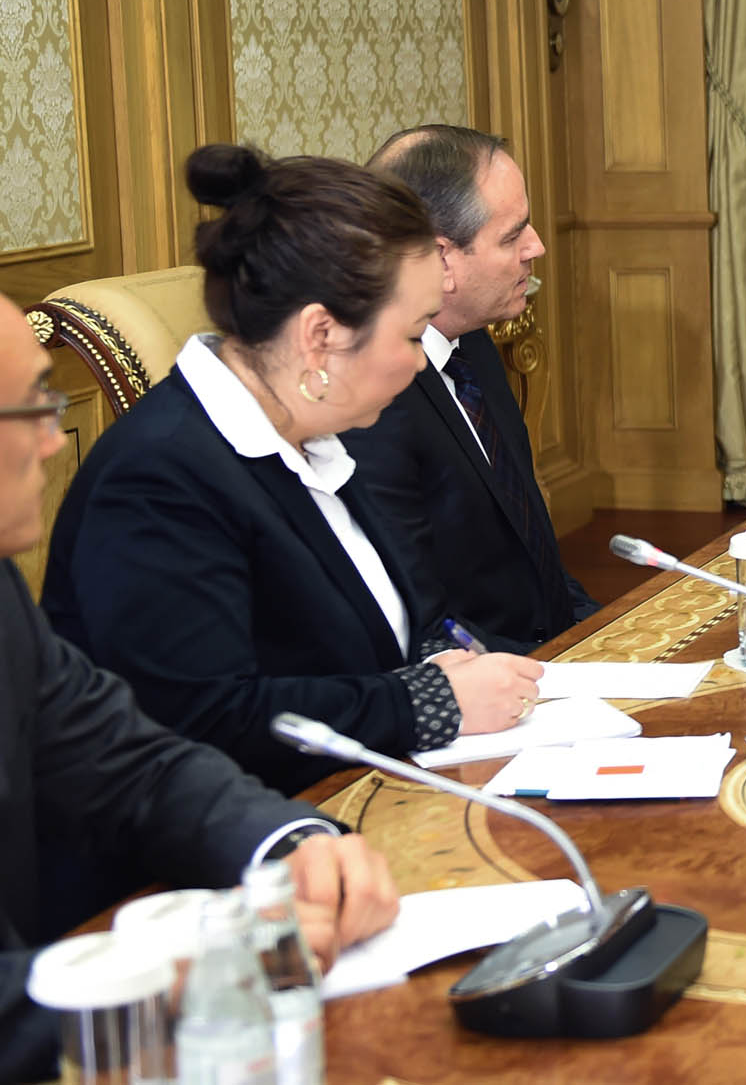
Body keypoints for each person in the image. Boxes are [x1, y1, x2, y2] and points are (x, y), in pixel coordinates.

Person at [40, 145, 542, 796]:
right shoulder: (155, 480)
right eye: (412, 334)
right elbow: (204, 719)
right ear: (320, 336)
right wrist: (426, 702)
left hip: (368, 788)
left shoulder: (312, 436)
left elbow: (376, 637)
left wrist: (443, 662)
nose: (421, 362)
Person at [0, 290, 399, 1083]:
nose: (52, 440)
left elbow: (134, 762)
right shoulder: (160, 469)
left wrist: (291, 843)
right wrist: (177, 981)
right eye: (32, 407)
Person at [343, 125, 594, 651]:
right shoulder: (371, 399)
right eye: (512, 236)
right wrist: (563, 675)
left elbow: (533, 556)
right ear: (440, 261)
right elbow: (420, 626)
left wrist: (604, 639)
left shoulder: (471, 340)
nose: (538, 246)